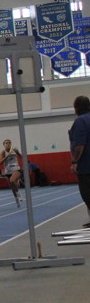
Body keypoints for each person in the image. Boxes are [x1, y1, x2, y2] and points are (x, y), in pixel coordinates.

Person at [68, 96, 90, 228]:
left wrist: (74, 161)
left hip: (86, 166)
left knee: (87, 195)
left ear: (76, 108)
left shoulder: (81, 121)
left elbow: (80, 145)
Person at [0, 139, 24, 208]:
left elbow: (23, 158)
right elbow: (0, 162)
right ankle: (16, 198)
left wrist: (18, 153)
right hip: (8, 171)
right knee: (12, 187)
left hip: (16, 169)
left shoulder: (14, 150)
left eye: (9, 143)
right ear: (4, 145)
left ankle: (19, 194)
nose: (8, 144)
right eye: (6, 143)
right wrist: (7, 156)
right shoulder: (3, 152)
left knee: (12, 180)